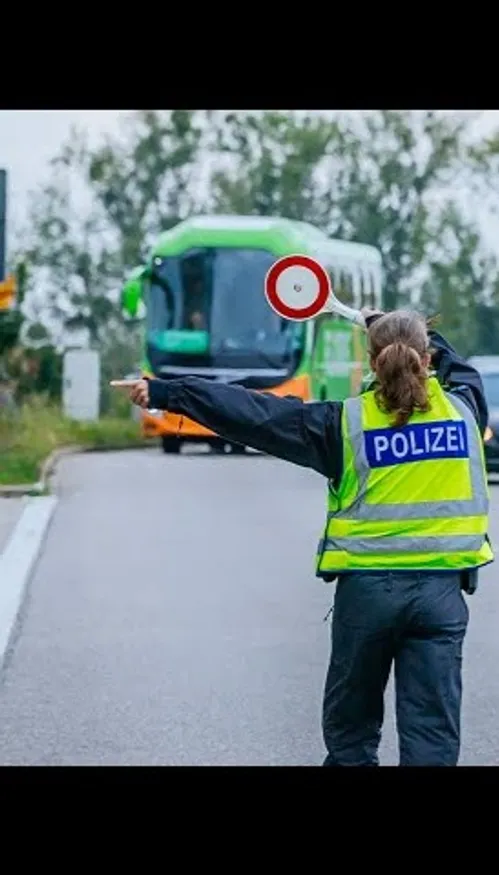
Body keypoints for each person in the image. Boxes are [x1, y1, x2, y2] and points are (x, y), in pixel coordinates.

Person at [111, 308, 493, 766]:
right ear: (427, 359)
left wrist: (170, 392)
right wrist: (384, 319)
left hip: (367, 598)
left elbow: (254, 414)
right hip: (441, 597)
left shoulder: (344, 425)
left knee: (351, 735)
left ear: (372, 364)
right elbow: (462, 369)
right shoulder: (466, 410)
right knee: (432, 735)